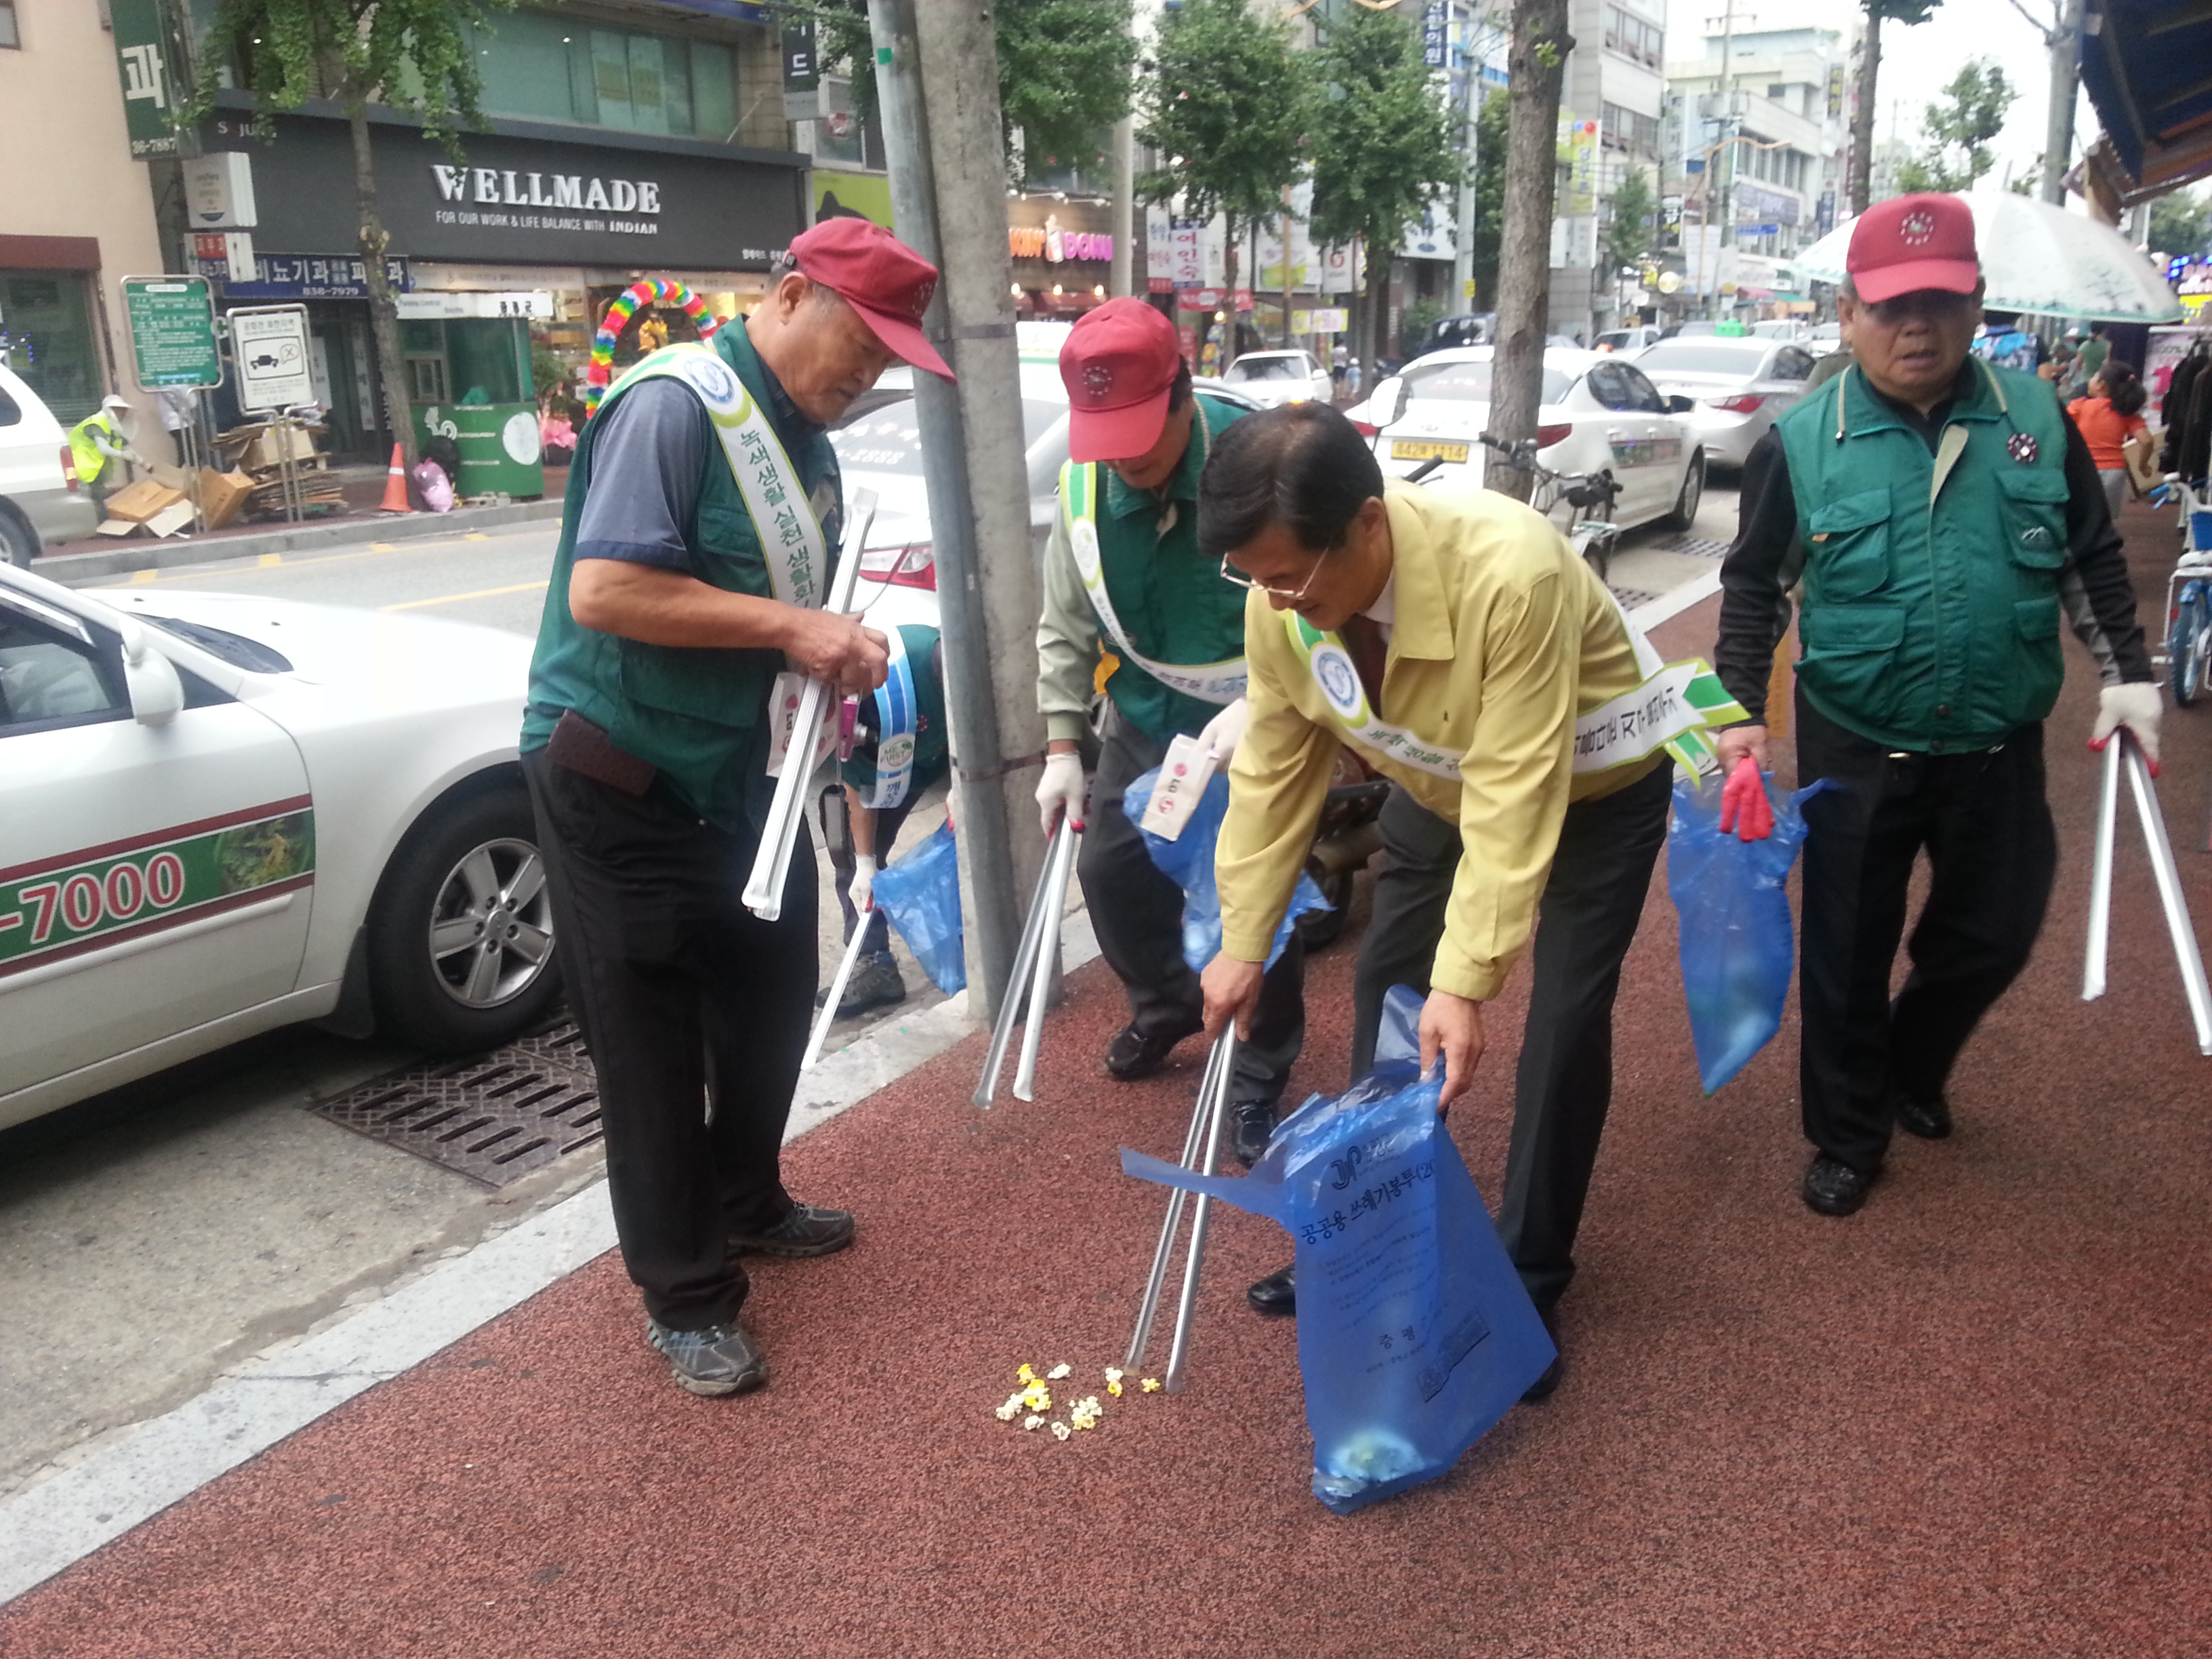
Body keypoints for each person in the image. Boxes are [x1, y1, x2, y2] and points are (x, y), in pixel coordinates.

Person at [519, 216, 953, 1396]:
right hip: (618, 779)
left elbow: (777, 608)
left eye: (883, 361)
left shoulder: (805, 442)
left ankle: (747, 1200)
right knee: (650, 1048)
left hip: (738, 782)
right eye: (859, 347)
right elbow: (608, 588)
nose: (866, 378)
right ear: (787, 293)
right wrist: (788, 629)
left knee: (770, 996)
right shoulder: (675, 406)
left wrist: (830, 658)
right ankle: (687, 1292)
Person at [1197, 402, 1694, 1401]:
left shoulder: (1512, 570)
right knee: (1386, 991)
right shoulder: (1279, 601)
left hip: (1591, 789)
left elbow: (1517, 790)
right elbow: (1276, 773)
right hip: (1433, 784)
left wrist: (1467, 982)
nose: (1278, 601)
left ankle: (1527, 1277)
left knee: (1558, 1022)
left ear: (1370, 525)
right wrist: (1244, 939)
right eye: (1255, 579)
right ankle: (1372, 1236)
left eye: (1291, 574)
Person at [1714, 193, 2157, 1219]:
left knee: (1994, 933)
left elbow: (2088, 557)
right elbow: (1749, 586)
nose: (1917, 327)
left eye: (1941, 304)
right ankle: (1849, 1131)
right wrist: (1739, 707)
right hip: (1858, 741)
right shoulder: (1803, 440)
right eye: (1890, 307)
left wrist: (2128, 673)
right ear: (1846, 315)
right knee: (1845, 952)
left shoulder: (2034, 420)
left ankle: (1911, 1062)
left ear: (1978, 305)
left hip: (1997, 739)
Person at [1034, 298, 1306, 1166]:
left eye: (1144, 436)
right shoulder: (1082, 490)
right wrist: (1061, 745)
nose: (1125, 460)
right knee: (1110, 871)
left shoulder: (1263, 464)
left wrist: (1274, 704)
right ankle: (1168, 1006)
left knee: (1256, 900)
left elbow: (1321, 601)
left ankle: (1263, 1067)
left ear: (1185, 395)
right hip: (1148, 718)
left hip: (1261, 718)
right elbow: (1065, 623)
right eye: (1105, 436)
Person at [818, 622, 949, 1019]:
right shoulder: (839, 713)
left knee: (980, 839)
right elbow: (860, 789)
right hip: (895, 765)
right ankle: (875, 964)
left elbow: (991, 708)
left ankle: (998, 942)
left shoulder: (933, 657)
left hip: (951, 748)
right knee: (850, 852)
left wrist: (969, 782)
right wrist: (865, 864)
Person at [2069, 359, 2151, 519]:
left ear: (2102, 385)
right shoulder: (2126, 412)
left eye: (2094, 376)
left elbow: (2060, 428)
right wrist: (2143, 465)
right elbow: (2147, 441)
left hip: (2083, 468)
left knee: (2079, 516)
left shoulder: (2080, 406)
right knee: (2106, 519)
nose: (2090, 380)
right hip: (2115, 471)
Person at [68, 394, 141, 516]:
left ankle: (103, 526)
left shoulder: (112, 427)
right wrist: (124, 455)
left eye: (123, 410)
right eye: (119, 410)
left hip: (94, 470)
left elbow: (124, 446)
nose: (122, 413)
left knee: (100, 498)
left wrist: (143, 463)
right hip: (81, 467)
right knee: (86, 501)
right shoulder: (97, 423)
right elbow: (104, 449)